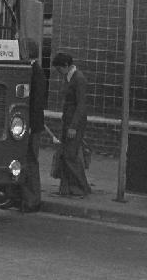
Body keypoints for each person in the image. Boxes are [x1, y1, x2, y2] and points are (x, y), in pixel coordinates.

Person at [0, 40, 46, 212]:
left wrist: (31, 125)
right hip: (19, 124)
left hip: (30, 126)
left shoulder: (36, 72)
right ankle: (14, 197)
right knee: (14, 159)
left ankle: (32, 200)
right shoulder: (23, 70)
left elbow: (37, 102)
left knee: (30, 161)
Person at [51, 51, 92, 197]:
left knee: (70, 155)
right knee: (66, 154)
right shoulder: (70, 77)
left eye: (59, 69)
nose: (58, 72)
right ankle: (67, 188)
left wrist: (73, 126)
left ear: (66, 65)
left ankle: (81, 188)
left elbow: (81, 104)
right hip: (68, 121)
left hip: (75, 123)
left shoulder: (78, 79)